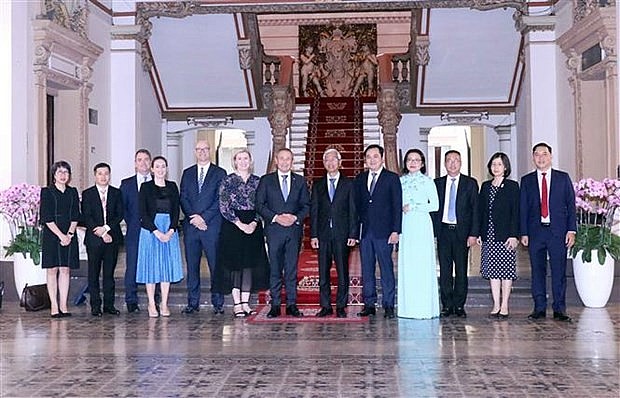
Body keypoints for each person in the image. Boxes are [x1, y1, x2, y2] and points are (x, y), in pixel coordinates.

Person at [520, 142, 576, 322]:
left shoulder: (563, 178)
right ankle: (539, 308)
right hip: (536, 232)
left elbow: (571, 206)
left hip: (557, 232)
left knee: (559, 271)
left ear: (551, 156)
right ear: (533, 158)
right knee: (537, 271)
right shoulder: (527, 180)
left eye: (544, 154)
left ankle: (559, 308)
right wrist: (524, 233)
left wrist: (571, 230)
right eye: (537, 154)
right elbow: (523, 209)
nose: (541, 158)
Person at [213, 149, 269, 317]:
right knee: (235, 265)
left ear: (250, 161)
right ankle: (237, 303)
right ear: (234, 161)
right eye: (240, 158)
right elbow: (223, 206)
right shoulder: (227, 180)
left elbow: (263, 204)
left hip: (254, 224)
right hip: (233, 226)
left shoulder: (258, 181)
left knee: (249, 264)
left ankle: (246, 302)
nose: (243, 161)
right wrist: (239, 224)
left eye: (246, 158)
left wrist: (253, 222)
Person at [256, 148, 310, 318]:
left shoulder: (300, 181)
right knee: (275, 269)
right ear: (276, 161)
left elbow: (307, 206)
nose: (285, 162)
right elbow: (259, 204)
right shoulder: (266, 181)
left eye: (288, 159)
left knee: (292, 269)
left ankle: (292, 304)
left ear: (292, 161)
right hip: (274, 231)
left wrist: (295, 218)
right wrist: (275, 217)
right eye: (282, 159)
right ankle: (276, 305)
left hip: (293, 231)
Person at [354, 144, 402, 319]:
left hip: (385, 232)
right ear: (365, 160)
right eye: (368, 157)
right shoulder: (360, 179)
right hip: (365, 232)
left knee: (386, 268)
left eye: (375, 156)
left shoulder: (392, 178)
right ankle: (369, 304)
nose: (372, 160)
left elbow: (397, 206)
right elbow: (356, 207)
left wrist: (396, 230)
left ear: (382, 158)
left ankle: (388, 304)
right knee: (366, 269)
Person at [180, 140, 227, 314]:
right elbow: (183, 197)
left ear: (210, 151)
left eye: (205, 149)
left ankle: (218, 302)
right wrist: (194, 217)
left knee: (215, 265)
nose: (201, 152)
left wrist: (203, 217)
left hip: (211, 226)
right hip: (192, 227)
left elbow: (220, 200)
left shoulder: (220, 173)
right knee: (192, 267)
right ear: (195, 152)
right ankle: (193, 303)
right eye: (198, 149)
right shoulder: (187, 173)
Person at [310, 148, 358, 318]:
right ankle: (325, 306)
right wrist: (313, 235)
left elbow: (353, 211)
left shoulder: (349, 184)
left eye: (333, 160)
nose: (330, 163)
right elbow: (314, 211)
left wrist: (353, 234)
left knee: (342, 272)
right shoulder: (317, 185)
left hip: (342, 235)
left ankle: (340, 306)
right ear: (324, 164)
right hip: (322, 236)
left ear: (340, 162)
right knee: (323, 272)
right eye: (327, 160)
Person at [432, 150, 479, 318]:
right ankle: (447, 305)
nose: (453, 163)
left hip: (462, 233)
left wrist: (473, 234)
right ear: (445, 163)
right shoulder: (436, 183)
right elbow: (433, 210)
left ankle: (459, 305)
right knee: (445, 270)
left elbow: (475, 210)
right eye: (449, 160)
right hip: (443, 231)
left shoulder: (470, 183)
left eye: (456, 160)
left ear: (461, 163)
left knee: (461, 270)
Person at [136, 156, 183, 318]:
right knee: (151, 267)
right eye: (157, 166)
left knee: (166, 267)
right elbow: (143, 212)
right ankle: (151, 303)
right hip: (150, 231)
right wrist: (156, 231)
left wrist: (170, 231)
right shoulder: (145, 187)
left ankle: (164, 303)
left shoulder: (172, 186)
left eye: (163, 166)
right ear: (152, 169)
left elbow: (176, 210)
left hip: (169, 230)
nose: (161, 169)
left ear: (167, 169)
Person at [398, 149, 439, 319]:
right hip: (406, 225)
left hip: (422, 224)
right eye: (409, 159)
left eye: (416, 159)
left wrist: (414, 207)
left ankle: (423, 308)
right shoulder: (400, 181)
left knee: (422, 265)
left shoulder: (428, 182)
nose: (413, 162)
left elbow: (435, 205)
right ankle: (407, 309)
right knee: (408, 265)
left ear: (422, 163)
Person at [477, 152, 519, 319]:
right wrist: (480, 232)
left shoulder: (512, 186)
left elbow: (516, 212)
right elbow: (481, 211)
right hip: (489, 234)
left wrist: (514, 234)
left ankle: (505, 304)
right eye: (493, 164)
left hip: (506, 235)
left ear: (506, 167)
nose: (496, 167)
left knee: (506, 271)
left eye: (499, 164)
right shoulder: (486, 186)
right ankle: (495, 304)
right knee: (493, 271)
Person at [81, 162, 124, 317]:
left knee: (109, 274)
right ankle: (95, 305)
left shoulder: (116, 193)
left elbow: (120, 214)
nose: (103, 176)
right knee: (93, 273)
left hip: (112, 238)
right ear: (95, 175)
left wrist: (106, 229)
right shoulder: (87, 194)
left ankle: (109, 305)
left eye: (106, 173)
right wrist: (99, 231)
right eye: (100, 173)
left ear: (109, 175)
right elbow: (87, 216)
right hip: (94, 239)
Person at [40, 161, 80, 318]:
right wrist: (60, 235)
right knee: (52, 270)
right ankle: (54, 306)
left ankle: (64, 305)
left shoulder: (72, 192)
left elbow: (76, 215)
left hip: (69, 233)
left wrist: (69, 234)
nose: (63, 175)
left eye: (66, 172)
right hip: (52, 233)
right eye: (60, 172)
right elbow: (46, 217)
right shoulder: (47, 192)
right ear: (54, 175)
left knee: (65, 269)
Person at [120, 149, 152, 313]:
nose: (143, 163)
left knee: (154, 264)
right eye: (140, 160)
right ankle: (131, 300)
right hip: (134, 230)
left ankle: (155, 298)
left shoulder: (158, 181)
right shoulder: (126, 184)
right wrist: (133, 222)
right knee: (132, 265)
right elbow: (123, 208)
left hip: (155, 231)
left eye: (146, 160)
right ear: (135, 163)